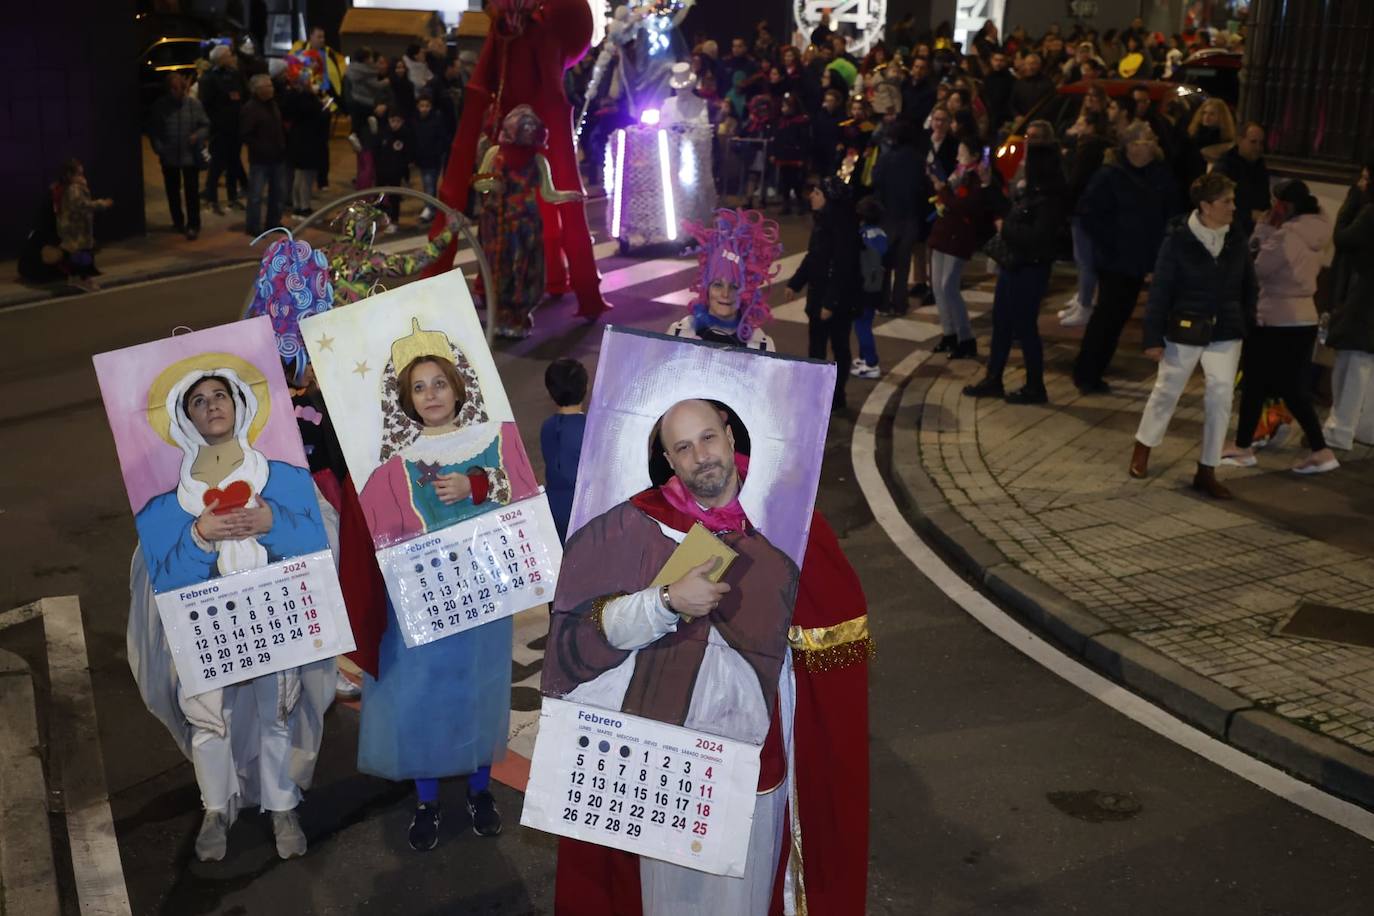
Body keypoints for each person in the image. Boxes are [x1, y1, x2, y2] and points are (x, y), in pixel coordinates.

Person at [549, 395, 871, 914]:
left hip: (756, 760)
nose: (701, 456)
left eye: (707, 438)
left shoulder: (790, 522)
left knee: (748, 892)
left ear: (729, 432)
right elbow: (583, 632)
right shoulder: (631, 524)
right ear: (668, 460)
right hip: (664, 764)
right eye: (683, 447)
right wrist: (666, 601)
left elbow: (836, 635)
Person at [127, 369, 336, 862]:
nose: (212, 405)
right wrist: (198, 537)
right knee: (207, 719)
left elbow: (320, 539)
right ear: (184, 418)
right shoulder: (164, 505)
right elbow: (162, 573)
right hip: (204, 624)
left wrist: (272, 522)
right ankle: (216, 808)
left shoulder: (282, 477)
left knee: (276, 711)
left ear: (240, 404)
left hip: (271, 612)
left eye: (220, 394)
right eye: (198, 400)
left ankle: (282, 805)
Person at [356, 323, 538, 849]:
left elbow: (525, 492)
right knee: (425, 697)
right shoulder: (393, 462)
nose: (431, 394)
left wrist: (476, 485)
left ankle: (480, 790)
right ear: (407, 400)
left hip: (485, 591)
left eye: (439, 383)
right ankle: (428, 799)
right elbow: (377, 525)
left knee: (478, 691)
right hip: (423, 599)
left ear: (458, 388)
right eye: (419, 387)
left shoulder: (495, 438)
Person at [1130, 173, 1257, 499]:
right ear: (1205, 206)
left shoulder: (1236, 236)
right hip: (1186, 326)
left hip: (1226, 329)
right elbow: (1161, 289)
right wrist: (1152, 337)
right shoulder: (1179, 238)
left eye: (1233, 199)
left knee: (1220, 396)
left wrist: (1247, 323)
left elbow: (1248, 284)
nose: (1233, 206)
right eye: (1226, 201)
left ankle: (1207, 469)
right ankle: (1142, 448)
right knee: (1167, 390)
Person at [1220, 180, 1337, 474]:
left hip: (1275, 319)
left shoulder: (1286, 235)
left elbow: (1256, 268)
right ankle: (1245, 445)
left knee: (1272, 384)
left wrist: (1262, 230)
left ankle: (1318, 450)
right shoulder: (1315, 231)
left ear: (1284, 205)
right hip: (1303, 318)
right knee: (1271, 383)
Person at [1072, 122, 1180, 395]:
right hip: (1116, 260)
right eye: (1140, 143)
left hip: (1144, 258)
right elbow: (1089, 214)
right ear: (1128, 146)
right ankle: (1087, 372)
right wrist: (1111, 244)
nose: (1145, 148)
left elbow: (1170, 214)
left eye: (1149, 143)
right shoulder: (1110, 176)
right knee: (1107, 316)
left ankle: (1095, 370)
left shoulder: (1161, 175)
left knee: (1119, 317)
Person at [963, 143, 1067, 405]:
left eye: (1027, 162)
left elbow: (1035, 237)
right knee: (1002, 324)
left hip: (1030, 269)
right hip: (1015, 267)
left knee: (1025, 328)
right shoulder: (1035, 193)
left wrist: (1005, 228)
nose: (1022, 166)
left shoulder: (1050, 201)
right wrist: (990, 187)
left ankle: (1035, 386)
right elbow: (1012, 213)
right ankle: (993, 378)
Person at [472, 105, 584, 338]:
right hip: (498, 224)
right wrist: (492, 184)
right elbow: (479, 183)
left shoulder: (538, 160)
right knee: (498, 271)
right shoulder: (495, 154)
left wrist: (568, 196)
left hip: (525, 227)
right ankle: (501, 318)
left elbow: (547, 193)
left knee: (525, 272)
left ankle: (518, 318)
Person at [788, 177, 861, 412]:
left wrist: (831, 302)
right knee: (817, 348)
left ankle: (837, 395)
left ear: (829, 200)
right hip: (819, 297)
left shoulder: (842, 227)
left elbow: (843, 267)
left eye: (817, 193)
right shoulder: (822, 222)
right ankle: (817, 394)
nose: (812, 196)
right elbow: (814, 257)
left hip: (836, 301)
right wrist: (796, 283)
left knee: (839, 347)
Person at [669, 207, 782, 350]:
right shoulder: (681, 334)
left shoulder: (761, 346)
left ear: (746, 292)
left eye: (734, 286)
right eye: (717, 285)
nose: (726, 294)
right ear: (706, 288)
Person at [929, 136, 997, 359]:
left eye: (963, 153)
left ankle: (966, 338)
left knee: (949, 285)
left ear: (975, 156)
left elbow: (967, 206)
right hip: (943, 232)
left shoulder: (976, 178)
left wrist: (944, 194)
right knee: (938, 286)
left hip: (959, 237)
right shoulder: (957, 174)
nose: (958, 157)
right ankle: (949, 334)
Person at [1323, 161, 1374, 451]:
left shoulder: (1369, 212)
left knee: (1352, 362)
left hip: (1365, 295)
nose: (1361, 183)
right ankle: (1367, 427)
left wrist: (1351, 201)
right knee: (1368, 365)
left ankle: (1340, 429)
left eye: (1366, 178)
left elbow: (1342, 237)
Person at [871, 117, 924, 316]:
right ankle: (900, 302)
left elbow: (876, 182)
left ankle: (883, 303)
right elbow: (921, 188)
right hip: (909, 215)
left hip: (888, 215)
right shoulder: (917, 158)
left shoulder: (886, 159)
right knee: (903, 264)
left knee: (884, 263)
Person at [147, 72, 210, 241]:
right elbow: (154, 131)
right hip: (170, 156)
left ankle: (193, 224)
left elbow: (205, 125)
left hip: (190, 155)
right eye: (174, 89)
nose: (179, 92)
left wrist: (197, 135)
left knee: (191, 191)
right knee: (172, 191)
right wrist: (160, 149)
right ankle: (178, 221)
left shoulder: (193, 105)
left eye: (180, 88)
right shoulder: (160, 106)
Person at [540, 358, 588, 543]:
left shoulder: (547, 426)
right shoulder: (590, 428)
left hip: (552, 504)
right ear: (585, 387)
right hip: (581, 508)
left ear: (550, 392)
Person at [199, 44, 248, 214]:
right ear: (219, 58)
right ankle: (211, 198)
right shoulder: (209, 78)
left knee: (234, 162)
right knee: (217, 164)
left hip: (235, 126)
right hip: (219, 128)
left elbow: (243, 93)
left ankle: (232, 197)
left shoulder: (235, 74)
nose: (231, 57)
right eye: (228, 54)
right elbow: (205, 103)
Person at [240, 74, 288, 237]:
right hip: (260, 159)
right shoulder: (250, 108)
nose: (271, 89)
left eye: (271, 86)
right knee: (256, 195)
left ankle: (273, 223)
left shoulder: (272, 104)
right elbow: (246, 134)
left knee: (277, 193)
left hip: (277, 157)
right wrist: (262, 148)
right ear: (258, 90)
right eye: (267, 86)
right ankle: (253, 225)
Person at [52, 158, 112, 291]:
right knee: (83, 255)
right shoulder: (74, 189)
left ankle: (74, 277)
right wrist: (102, 204)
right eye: (79, 174)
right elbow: (81, 205)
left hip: (71, 228)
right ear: (69, 175)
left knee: (77, 254)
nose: (82, 177)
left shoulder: (66, 187)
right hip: (78, 230)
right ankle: (83, 279)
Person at [281, 68, 330, 217]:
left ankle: (297, 206)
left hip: (297, 140)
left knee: (299, 175)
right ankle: (304, 207)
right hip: (309, 142)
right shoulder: (306, 98)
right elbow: (318, 116)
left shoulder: (292, 97)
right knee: (306, 177)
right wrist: (325, 108)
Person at [852, 195, 888, 378]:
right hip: (876, 288)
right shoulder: (881, 234)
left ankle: (872, 362)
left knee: (862, 325)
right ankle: (864, 357)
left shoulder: (864, 236)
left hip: (865, 288)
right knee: (865, 322)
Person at [1215, 121, 1270, 238]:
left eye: (1261, 143)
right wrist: (1249, 214)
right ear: (1240, 140)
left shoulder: (1260, 167)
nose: (1258, 147)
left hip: (1253, 232)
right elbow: (1217, 203)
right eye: (1253, 142)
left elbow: (1264, 199)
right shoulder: (1225, 167)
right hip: (1228, 233)